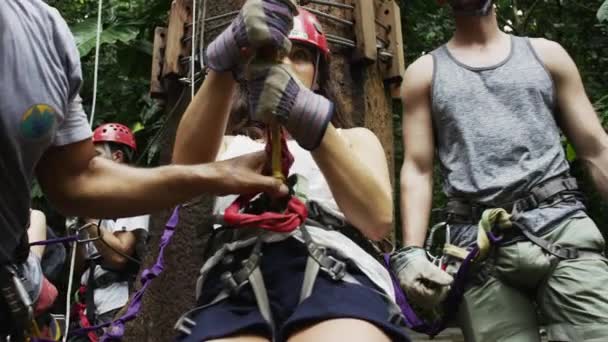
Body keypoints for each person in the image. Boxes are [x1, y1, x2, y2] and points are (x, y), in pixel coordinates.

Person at [0, 0, 286, 337]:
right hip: (84, 297)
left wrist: (218, 174)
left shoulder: (41, 34)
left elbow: (84, 189)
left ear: (119, 157)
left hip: (96, 298)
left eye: (103, 150)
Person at [172, 3, 410, 342]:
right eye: (268, 55)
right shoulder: (226, 146)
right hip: (234, 281)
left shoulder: (353, 139)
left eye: (299, 55)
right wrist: (226, 62)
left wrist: (306, 117)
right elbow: (183, 175)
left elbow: (377, 219)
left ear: (318, 73)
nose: (283, 63)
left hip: (337, 276)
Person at [393, 0, 608, 341]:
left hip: (561, 226)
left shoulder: (547, 55)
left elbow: (595, 147)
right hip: (478, 250)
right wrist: (412, 252)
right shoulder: (425, 73)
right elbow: (418, 169)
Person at [71, 124, 151, 336]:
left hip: (116, 307)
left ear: (116, 157)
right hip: (86, 309)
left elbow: (119, 256)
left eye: (96, 155)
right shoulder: (92, 205)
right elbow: (77, 267)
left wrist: (88, 217)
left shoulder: (134, 198)